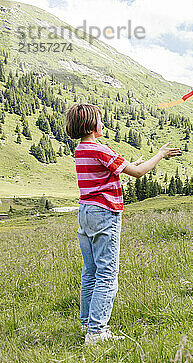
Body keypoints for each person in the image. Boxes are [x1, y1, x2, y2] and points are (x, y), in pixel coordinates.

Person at [66, 104, 181, 345]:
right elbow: (138, 173)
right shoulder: (101, 149)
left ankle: (88, 323)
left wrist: (129, 164)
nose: (103, 121)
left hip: (85, 212)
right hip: (104, 213)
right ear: (91, 125)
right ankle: (97, 332)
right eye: (99, 118)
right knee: (107, 273)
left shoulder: (81, 150)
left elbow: (109, 171)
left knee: (90, 271)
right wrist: (160, 155)